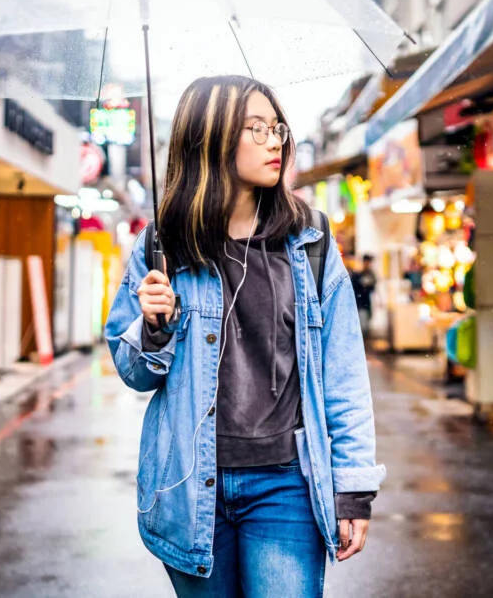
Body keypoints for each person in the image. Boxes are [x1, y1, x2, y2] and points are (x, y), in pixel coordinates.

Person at [105, 76, 384, 597]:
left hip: (285, 487)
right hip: (190, 487)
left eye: (276, 126)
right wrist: (153, 326)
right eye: (255, 129)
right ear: (209, 138)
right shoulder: (163, 244)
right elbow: (135, 373)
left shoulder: (310, 241)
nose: (275, 140)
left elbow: (343, 374)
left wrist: (354, 489)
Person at [350, 254, 377, 337]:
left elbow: (372, 287)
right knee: (363, 326)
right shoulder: (357, 274)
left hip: (366, 302)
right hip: (359, 303)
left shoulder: (370, 274)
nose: (369, 264)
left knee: (366, 323)